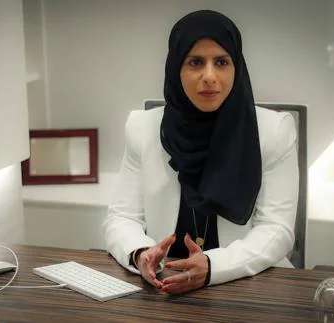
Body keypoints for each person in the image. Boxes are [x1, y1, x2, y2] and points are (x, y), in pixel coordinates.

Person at [102, 10, 299, 294]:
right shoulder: (143, 128)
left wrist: (213, 267)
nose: (209, 76)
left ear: (237, 68)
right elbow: (121, 217)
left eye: (221, 62)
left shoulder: (274, 131)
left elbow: (276, 230)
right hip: (166, 285)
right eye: (195, 62)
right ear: (175, 68)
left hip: (249, 287)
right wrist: (140, 253)